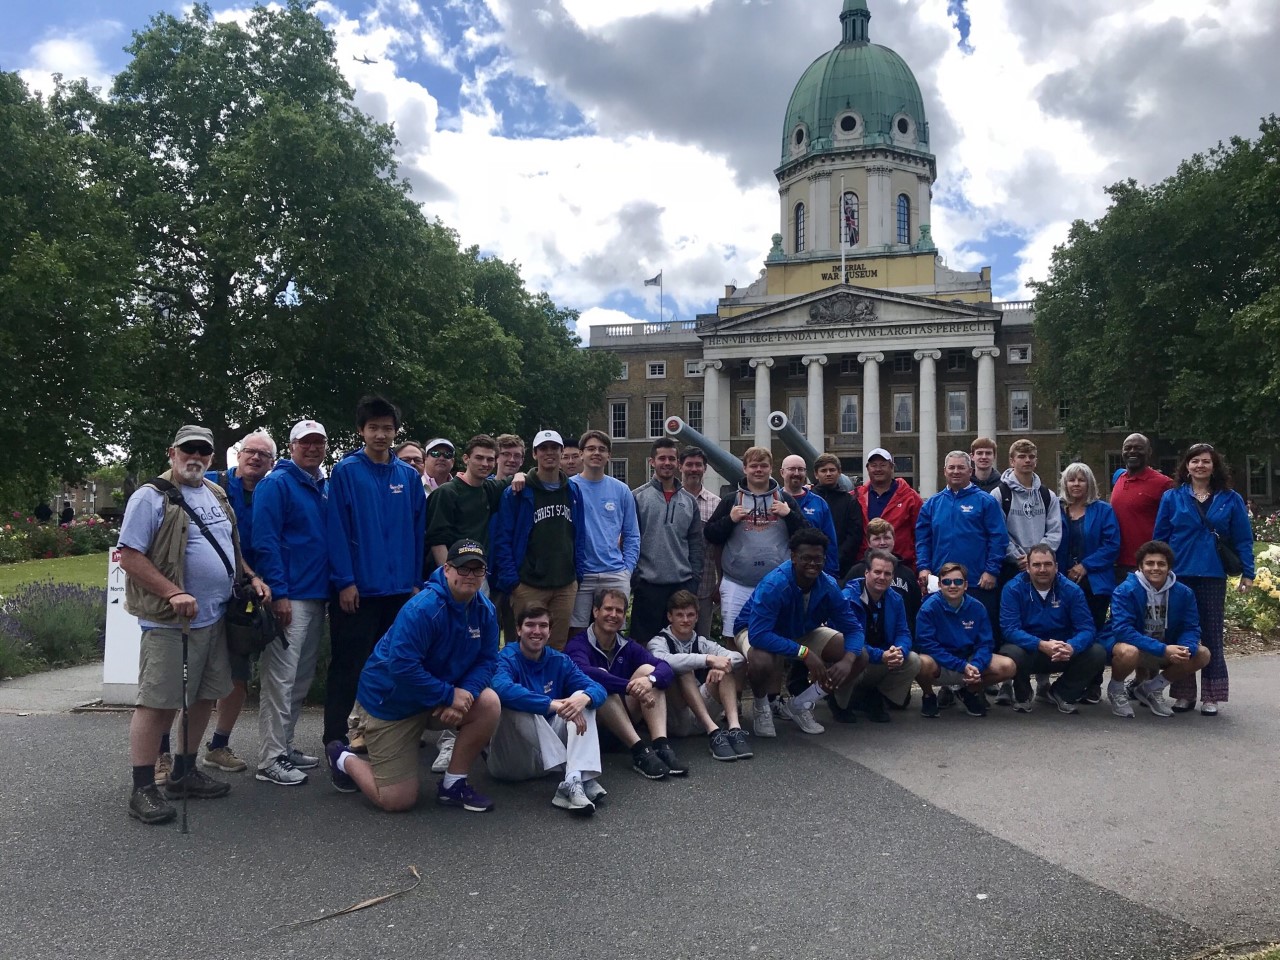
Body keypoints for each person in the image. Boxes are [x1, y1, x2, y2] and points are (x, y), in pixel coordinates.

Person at [119, 425, 269, 824]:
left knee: (205, 695)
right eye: (189, 449)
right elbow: (130, 556)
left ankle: (185, 771)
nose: (196, 457)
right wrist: (172, 592)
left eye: (204, 451)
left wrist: (250, 576)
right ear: (173, 452)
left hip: (215, 617)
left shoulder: (216, 494)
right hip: (171, 622)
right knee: (158, 702)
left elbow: (229, 548)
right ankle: (143, 786)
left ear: (212, 457)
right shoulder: (150, 496)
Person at [326, 540, 501, 812]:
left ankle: (453, 785)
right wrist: (448, 694)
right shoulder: (423, 609)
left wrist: (465, 694)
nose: (470, 576)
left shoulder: (485, 611)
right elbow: (402, 668)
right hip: (392, 702)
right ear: (446, 570)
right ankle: (343, 757)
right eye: (463, 569)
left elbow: (488, 659)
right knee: (397, 800)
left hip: (435, 695)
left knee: (489, 703)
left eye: (477, 571)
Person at [323, 395, 427, 746]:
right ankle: (336, 740)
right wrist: (345, 581)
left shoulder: (408, 477)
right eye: (373, 428)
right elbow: (336, 530)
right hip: (358, 592)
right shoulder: (346, 471)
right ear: (361, 431)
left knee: (391, 667)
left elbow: (417, 532)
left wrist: (414, 582)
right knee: (348, 667)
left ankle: (378, 735)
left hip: (398, 592)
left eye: (387, 428)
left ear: (396, 431)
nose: (381, 435)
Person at [189, 430, 277, 777]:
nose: (255, 459)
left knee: (238, 674)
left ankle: (218, 745)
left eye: (264, 455)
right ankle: (167, 753)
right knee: (188, 677)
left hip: (247, 599)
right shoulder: (211, 485)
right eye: (250, 452)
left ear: (272, 463)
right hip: (206, 594)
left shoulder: (273, 492)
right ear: (238, 454)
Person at [250, 419, 329, 785]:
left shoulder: (319, 485)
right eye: (306, 443)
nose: (313, 448)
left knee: (300, 677)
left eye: (319, 443)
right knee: (280, 679)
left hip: (315, 593)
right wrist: (278, 593)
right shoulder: (277, 483)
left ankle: (285, 745)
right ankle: (270, 757)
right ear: (292, 446)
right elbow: (265, 542)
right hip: (290, 596)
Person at [733, 528, 867, 737]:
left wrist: (848, 660)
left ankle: (801, 703)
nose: (813, 564)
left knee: (860, 655)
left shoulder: (828, 585)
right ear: (793, 557)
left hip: (800, 629)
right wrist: (804, 652)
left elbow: (854, 629)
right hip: (756, 629)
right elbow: (758, 635)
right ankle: (761, 705)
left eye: (818, 559)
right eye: (806, 558)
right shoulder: (774, 584)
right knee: (760, 660)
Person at [1153, 444, 1254, 715]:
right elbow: (1160, 537)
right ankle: (1183, 693)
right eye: (1195, 461)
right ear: (1186, 466)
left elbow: (1244, 538)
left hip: (1212, 574)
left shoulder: (1230, 499)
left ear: (1214, 466)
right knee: (1181, 633)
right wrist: (1156, 572)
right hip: (1180, 574)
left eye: (1206, 461)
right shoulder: (1172, 497)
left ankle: (1212, 695)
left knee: (1211, 634)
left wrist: (1249, 572)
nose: (1200, 466)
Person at [488, 605, 608, 814]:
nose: (536, 631)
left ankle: (573, 779)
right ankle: (579, 774)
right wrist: (551, 703)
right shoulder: (506, 657)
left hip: (548, 764)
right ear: (518, 630)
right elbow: (501, 687)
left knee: (581, 699)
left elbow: (598, 689)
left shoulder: (559, 660)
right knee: (516, 704)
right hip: (512, 763)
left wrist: (584, 698)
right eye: (530, 625)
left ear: (550, 632)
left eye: (543, 626)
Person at [564, 588, 684, 780]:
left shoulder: (627, 645)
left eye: (619, 611)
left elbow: (665, 668)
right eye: (608, 609)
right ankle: (639, 750)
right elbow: (584, 672)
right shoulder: (578, 644)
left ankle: (661, 744)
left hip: (624, 718)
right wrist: (628, 686)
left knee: (648, 671)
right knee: (601, 681)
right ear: (595, 611)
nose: (613, 615)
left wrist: (649, 681)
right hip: (592, 726)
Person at [703, 446, 808, 645]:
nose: (758, 470)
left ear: (771, 469)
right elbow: (710, 535)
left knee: (777, 638)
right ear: (745, 469)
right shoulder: (730, 500)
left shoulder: (784, 500)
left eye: (763, 465)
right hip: (737, 583)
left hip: (777, 584)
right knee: (733, 640)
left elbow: (806, 535)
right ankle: (736, 677)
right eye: (753, 466)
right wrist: (730, 520)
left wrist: (789, 515)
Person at [492, 430, 584, 650]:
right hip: (528, 584)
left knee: (557, 645)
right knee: (525, 645)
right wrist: (513, 581)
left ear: (562, 452)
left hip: (564, 583)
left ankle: (551, 685)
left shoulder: (572, 490)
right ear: (534, 453)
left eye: (554, 448)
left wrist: (577, 574)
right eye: (543, 448)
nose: (549, 453)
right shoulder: (518, 491)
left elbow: (579, 534)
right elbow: (503, 538)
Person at [1105, 540, 1212, 719]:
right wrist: (1163, 649)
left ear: (1169, 567)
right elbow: (1122, 630)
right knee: (1128, 652)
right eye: (1149, 563)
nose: (1155, 568)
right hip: (1135, 648)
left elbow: (1191, 627)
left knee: (1202, 653)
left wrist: (1186, 648)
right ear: (1140, 566)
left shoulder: (1184, 593)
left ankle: (1151, 688)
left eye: (1161, 564)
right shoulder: (1125, 590)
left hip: (1165, 648)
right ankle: (1116, 689)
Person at [998, 544, 1105, 714]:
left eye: (1048, 564)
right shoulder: (1012, 589)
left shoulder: (1072, 590)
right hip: (1030, 651)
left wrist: (1072, 646)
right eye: (1036, 565)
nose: (1042, 569)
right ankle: (1023, 695)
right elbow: (1009, 629)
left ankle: (1061, 693)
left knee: (1097, 652)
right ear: (1028, 567)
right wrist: (1040, 644)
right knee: (1011, 652)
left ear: (1056, 567)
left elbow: (1087, 628)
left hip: (1062, 650)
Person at [646, 589, 750, 761]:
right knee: (683, 670)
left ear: (696, 617)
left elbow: (738, 657)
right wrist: (709, 660)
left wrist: (721, 665)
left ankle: (734, 730)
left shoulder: (701, 642)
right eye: (680, 615)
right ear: (670, 617)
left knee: (725, 668)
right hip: (676, 719)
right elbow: (663, 660)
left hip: (702, 715)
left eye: (690, 615)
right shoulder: (658, 642)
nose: (685, 620)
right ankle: (714, 732)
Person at [915, 451, 1007, 636]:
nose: (956, 471)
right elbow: (923, 540)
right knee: (942, 635)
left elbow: (998, 538)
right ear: (944, 471)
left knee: (979, 636)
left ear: (970, 471)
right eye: (952, 467)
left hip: (977, 583)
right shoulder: (932, 504)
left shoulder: (985, 501)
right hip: (941, 584)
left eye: (961, 467)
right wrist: (923, 567)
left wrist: (991, 570)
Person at [914, 561, 1016, 718]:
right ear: (940, 585)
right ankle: (928, 696)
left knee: (1007, 666)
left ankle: (969, 692)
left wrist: (976, 665)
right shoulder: (928, 609)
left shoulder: (977, 607)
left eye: (958, 581)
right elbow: (927, 645)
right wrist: (961, 666)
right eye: (947, 582)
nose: (952, 585)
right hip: (940, 662)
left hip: (969, 660)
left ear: (966, 585)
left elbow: (985, 643)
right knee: (919, 662)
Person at [630, 437, 704, 645]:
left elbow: (696, 545)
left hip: (681, 587)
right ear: (652, 462)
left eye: (672, 459)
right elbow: (630, 541)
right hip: (648, 586)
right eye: (662, 458)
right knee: (644, 648)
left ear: (678, 463)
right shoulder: (637, 497)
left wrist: (694, 581)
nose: (667, 463)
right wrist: (636, 579)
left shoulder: (689, 501)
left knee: (681, 647)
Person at [1057, 462, 1120, 702]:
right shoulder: (1058, 509)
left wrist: (1085, 565)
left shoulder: (1103, 510)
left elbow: (1111, 545)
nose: (1076, 484)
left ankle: (1093, 684)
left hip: (1094, 582)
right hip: (1063, 581)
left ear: (1089, 483)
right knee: (1069, 632)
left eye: (1081, 480)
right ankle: (1069, 683)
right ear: (1065, 483)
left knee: (1091, 633)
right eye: (1071, 480)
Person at [833, 549, 920, 723]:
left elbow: (903, 632)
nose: (882, 577)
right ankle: (838, 702)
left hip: (881, 659)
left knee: (913, 660)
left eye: (887, 573)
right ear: (866, 572)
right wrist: (881, 655)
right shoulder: (847, 598)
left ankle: (873, 698)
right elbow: (848, 640)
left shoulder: (896, 599)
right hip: (853, 659)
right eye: (877, 572)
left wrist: (899, 651)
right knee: (857, 654)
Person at [570, 430, 640, 631]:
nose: (596, 453)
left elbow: (632, 534)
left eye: (602, 449)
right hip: (581, 573)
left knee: (612, 630)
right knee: (576, 631)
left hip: (614, 572)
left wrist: (627, 570)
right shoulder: (569, 487)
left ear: (609, 455)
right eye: (591, 449)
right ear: (581, 453)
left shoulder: (621, 490)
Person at [992, 439, 1062, 581]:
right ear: (1012, 461)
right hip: (1012, 567)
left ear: (1036, 461)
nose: (1027, 460)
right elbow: (998, 533)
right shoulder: (998, 494)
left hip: (1042, 566)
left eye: (1031, 457)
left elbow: (1054, 531)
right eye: (1022, 456)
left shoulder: (1048, 495)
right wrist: (1017, 557)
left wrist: (1037, 557)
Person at [1110, 433, 1174, 578]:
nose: (1132, 451)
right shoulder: (1119, 479)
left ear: (1149, 452)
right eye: (1128, 448)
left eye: (1139, 448)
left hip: (1148, 565)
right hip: (1118, 563)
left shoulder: (1164, 484)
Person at [842, 517, 921, 633]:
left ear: (894, 540)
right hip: (863, 638)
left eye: (887, 538)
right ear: (868, 542)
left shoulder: (907, 573)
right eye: (877, 538)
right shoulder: (857, 571)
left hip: (900, 640)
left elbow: (916, 609)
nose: (882, 542)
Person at [679, 446, 722, 641]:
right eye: (689, 464)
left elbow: (721, 546)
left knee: (701, 639)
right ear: (681, 466)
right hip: (673, 583)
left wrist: (720, 581)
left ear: (705, 468)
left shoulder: (716, 504)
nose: (693, 469)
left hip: (704, 587)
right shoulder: (669, 499)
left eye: (698, 465)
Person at [854, 448, 922, 568]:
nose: (878, 469)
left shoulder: (911, 498)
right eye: (874, 465)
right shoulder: (856, 496)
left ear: (891, 467)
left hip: (901, 566)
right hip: (867, 565)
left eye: (883, 465)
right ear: (867, 468)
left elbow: (921, 535)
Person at [780, 455, 840, 576]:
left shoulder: (819, 503)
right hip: (780, 572)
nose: (796, 473)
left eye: (800, 469)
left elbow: (830, 542)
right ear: (782, 472)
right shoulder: (773, 501)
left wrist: (831, 573)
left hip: (812, 573)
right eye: (791, 469)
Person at [811, 452, 864, 577]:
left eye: (832, 470)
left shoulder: (850, 501)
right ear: (816, 474)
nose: (828, 474)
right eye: (823, 470)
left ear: (839, 472)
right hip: (810, 562)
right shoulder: (809, 498)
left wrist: (837, 557)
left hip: (841, 567)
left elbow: (854, 534)